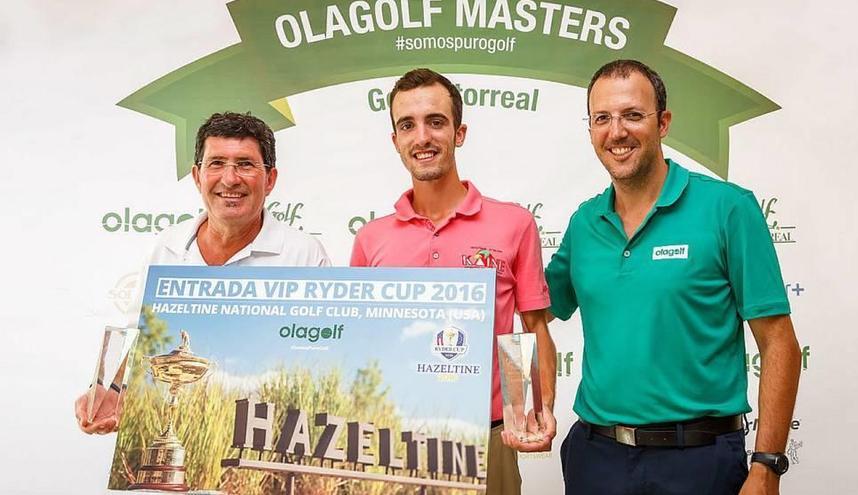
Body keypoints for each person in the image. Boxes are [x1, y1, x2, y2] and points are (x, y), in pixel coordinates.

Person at [545, 59, 801, 495]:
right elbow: (536, 306)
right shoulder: (584, 222)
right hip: (596, 459)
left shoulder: (729, 209)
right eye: (601, 118)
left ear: (663, 123)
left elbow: (780, 343)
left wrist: (766, 466)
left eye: (632, 115)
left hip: (699, 463)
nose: (616, 131)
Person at [349, 68, 557, 495]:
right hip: (393, 441)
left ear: (459, 133)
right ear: (395, 141)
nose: (421, 136)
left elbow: (534, 328)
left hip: (490, 437)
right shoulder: (371, 239)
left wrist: (541, 410)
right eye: (407, 125)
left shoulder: (514, 223)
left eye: (435, 122)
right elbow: (357, 344)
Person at [75, 112, 330, 434]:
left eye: (246, 164)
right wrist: (109, 391)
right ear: (197, 176)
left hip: (263, 436)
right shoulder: (167, 246)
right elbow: (137, 335)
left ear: (270, 179)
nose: (230, 178)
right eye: (216, 163)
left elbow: (319, 358)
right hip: (171, 431)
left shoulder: (303, 254)